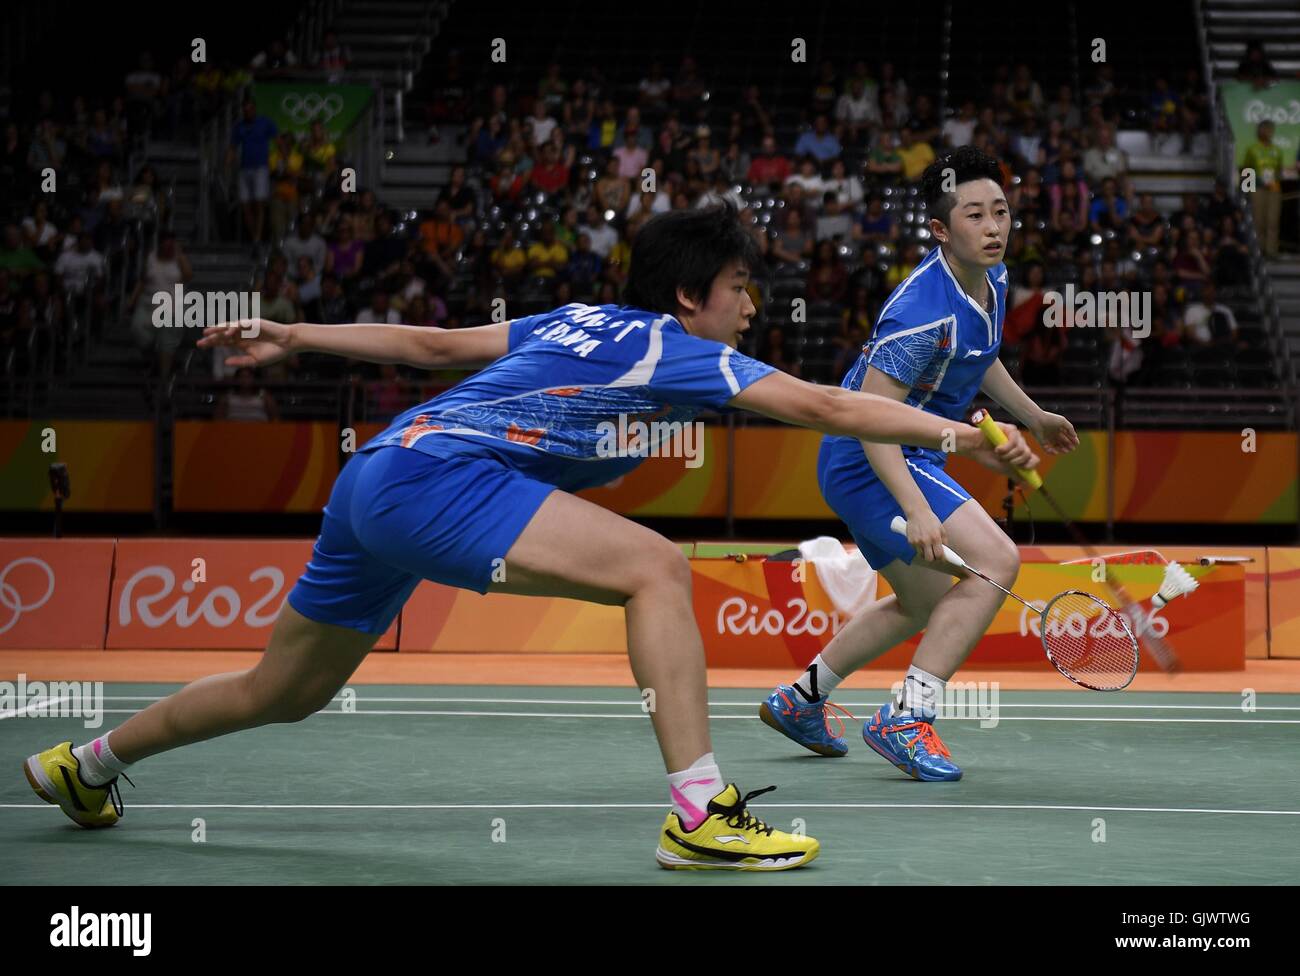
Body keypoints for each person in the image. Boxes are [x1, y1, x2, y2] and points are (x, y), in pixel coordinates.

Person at [25, 204, 1035, 871]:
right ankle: (698, 813)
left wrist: (296, 334)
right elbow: (835, 406)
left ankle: (89, 761)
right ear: (692, 296)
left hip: (380, 473)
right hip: (444, 478)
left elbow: (432, 345)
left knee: (282, 691)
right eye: (741, 291)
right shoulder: (676, 348)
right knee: (654, 566)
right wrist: (967, 432)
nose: (750, 308)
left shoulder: (581, 317)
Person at [760, 147, 1075, 781]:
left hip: (910, 447)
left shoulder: (991, 279)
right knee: (996, 561)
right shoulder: (917, 312)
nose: (994, 228)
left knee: (924, 600)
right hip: (870, 455)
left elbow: (979, 355)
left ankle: (801, 700)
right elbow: (874, 423)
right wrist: (916, 507)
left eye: (1002, 213)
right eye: (975, 216)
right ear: (939, 230)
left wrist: (1034, 415)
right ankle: (908, 716)